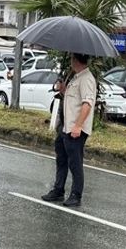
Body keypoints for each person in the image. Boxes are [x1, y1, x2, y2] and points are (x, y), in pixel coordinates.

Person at [42, 53, 97, 208]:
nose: (71, 61)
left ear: (76, 60)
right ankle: (58, 189)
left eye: (72, 58)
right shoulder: (76, 77)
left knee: (75, 162)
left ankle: (76, 194)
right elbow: (74, 100)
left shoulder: (87, 79)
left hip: (75, 129)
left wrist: (78, 126)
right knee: (61, 158)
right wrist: (64, 90)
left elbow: (87, 104)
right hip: (66, 127)